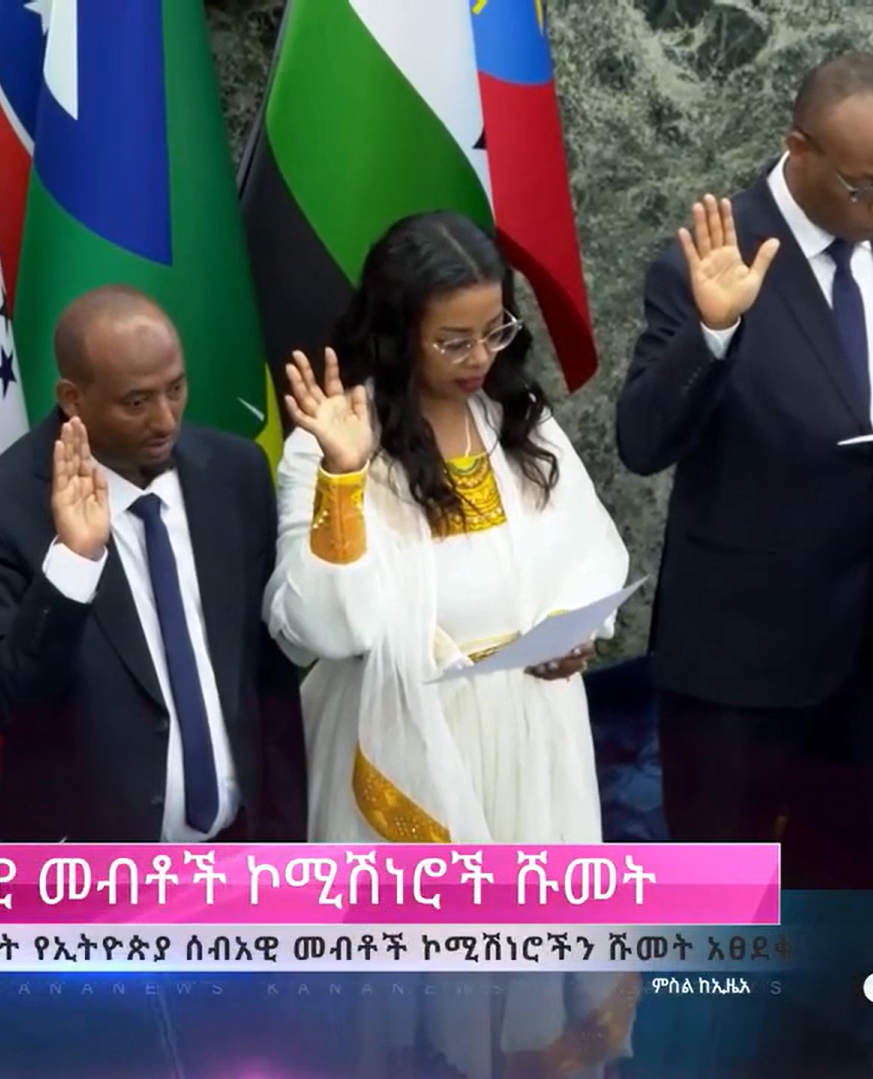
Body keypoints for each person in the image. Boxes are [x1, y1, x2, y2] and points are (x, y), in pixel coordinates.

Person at [616, 52, 873, 898]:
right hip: (741, 658)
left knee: (840, 878)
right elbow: (642, 440)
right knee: (721, 902)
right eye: (867, 186)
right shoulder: (707, 259)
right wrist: (712, 334)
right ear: (797, 148)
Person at [265, 211, 636, 1078]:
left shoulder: (515, 417)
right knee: (421, 992)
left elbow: (589, 550)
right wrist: (343, 474)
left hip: (532, 727)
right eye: (453, 341)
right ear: (398, 333)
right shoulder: (335, 440)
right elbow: (323, 626)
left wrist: (578, 628)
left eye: (493, 331)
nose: (478, 358)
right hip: (408, 734)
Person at [0, 284, 307, 843]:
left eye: (176, 389)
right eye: (136, 402)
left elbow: (268, 675)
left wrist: (283, 838)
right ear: (72, 398)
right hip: (92, 869)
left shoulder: (235, 472)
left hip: (242, 852)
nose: (165, 420)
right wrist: (74, 564)